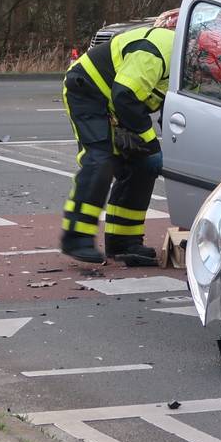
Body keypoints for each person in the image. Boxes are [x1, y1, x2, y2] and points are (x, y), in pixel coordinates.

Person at [60, 26, 175, 266]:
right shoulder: (155, 53)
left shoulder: (189, 64)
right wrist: (150, 140)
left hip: (120, 102)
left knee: (143, 165)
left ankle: (124, 243)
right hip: (88, 91)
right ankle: (76, 237)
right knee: (101, 160)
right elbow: (124, 95)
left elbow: (174, 110)